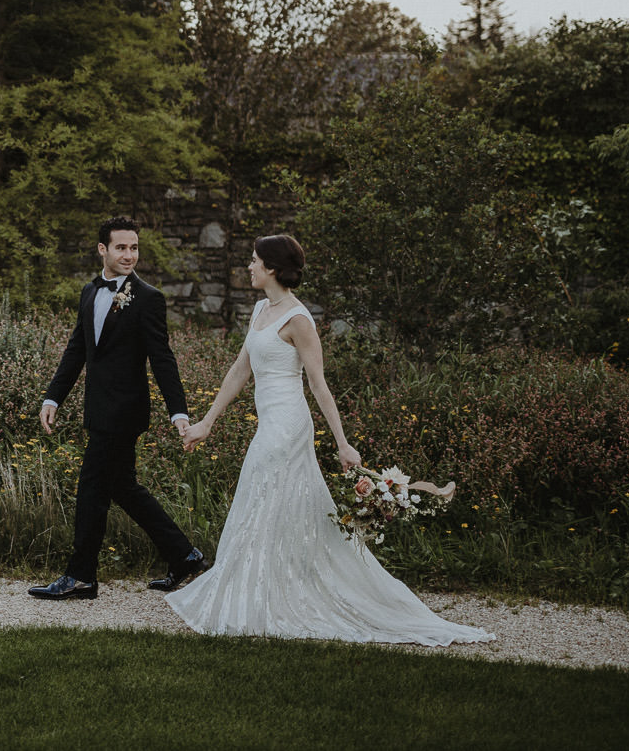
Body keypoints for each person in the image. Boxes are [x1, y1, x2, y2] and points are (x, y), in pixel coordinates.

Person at [168, 233, 494, 645]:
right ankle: (259, 589)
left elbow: (319, 385)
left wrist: (343, 443)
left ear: (271, 268)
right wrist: (207, 423)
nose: (248, 267)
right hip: (268, 421)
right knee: (264, 499)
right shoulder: (260, 310)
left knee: (262, 494)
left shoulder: (299, 320)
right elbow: (239, 370)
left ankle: (264, 595)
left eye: (253, 261)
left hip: (287, 425)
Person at [28, 216, 211, 601]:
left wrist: (178, 412)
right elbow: (77, 349)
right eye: (121, 248)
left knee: (91, 487)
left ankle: (80, 576)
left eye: (134, 248)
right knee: (122, 488)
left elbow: (163, 358)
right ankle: (184, 554)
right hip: (97, 409)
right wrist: (52, 398)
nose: (129, 255)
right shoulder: (89, 293)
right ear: (103, 250)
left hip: (125, 412)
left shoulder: (147, 298)